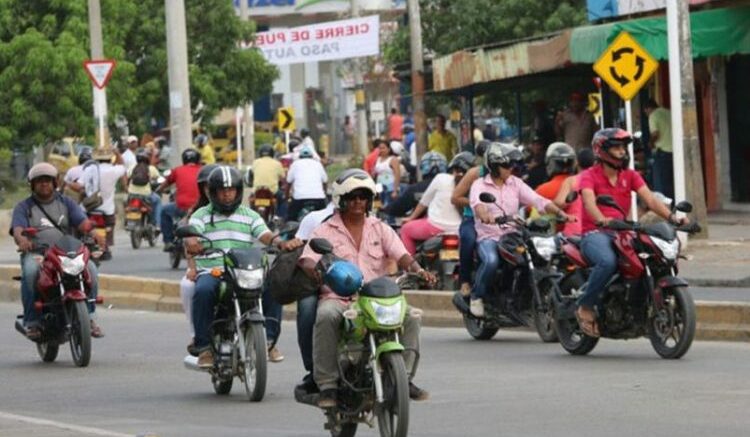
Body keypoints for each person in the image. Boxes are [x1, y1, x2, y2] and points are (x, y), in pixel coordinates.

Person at [298, 169, 434, 407]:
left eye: (363, 197)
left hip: (377, 298)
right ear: (341, 200)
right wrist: (314, 269)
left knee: (412, 317)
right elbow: (308, 258)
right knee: (326, 315)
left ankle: (405, 379)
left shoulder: (379, 227)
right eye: (353, 196)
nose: (358, 202)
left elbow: (401, 255)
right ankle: (328, 385)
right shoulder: (325, 230)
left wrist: (418, 270)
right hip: (340, 298)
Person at [185, 166, 302, 367]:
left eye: (231, 190)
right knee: (203, 290)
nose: (227, 194)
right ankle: (204, 348)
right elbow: (192, 235)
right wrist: (192, 242)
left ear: (239, 191)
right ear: (212, 192)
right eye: (222, 190)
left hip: (245, 270)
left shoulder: (250, 215)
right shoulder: (201, 215)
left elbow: (264, 235)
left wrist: (280, 242)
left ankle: (269, 341)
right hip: (214, 271)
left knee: (274, 289)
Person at [576, 128, 688, 337]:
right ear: (602, 150)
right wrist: (601, 218)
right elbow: (589, 203)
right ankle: (586, 306)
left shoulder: (630, 175)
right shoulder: (588, 176)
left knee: (650, 257)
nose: (622, 152)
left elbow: (651, 200)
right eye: (616, 147)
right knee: (608, 262)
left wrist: (673, 218)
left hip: (623, 231)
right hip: (595, 233)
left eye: (623, 147)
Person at [469, 143, 571, 317]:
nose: (511, 168)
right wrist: (487, 216)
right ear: (494, 166)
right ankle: (476, 297)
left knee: (537, 257)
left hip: (513, 236)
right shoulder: (479, 185)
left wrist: (561, 214)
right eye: (507, 165)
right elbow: (479, 206)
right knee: (492, 261)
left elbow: (538, 200)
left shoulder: (515, 183)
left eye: (512, 165)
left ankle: (519, 297)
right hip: (490, 237)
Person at [11, 163, 106, 339]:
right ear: (32, 184)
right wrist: (23, 240)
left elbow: (82, 222)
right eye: (39, 181)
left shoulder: (67, 203)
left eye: (47, 180)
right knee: (31, 272)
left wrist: (94, 233)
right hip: (38, 254)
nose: (44, 184)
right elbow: (18, 228)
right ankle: (32, 322)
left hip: (66, 253)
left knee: (91, 269)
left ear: (55, 183)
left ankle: (90, 318)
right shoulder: (24, 207)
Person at [400, 152, 471, 254]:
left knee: (405, 230)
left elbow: (424, 202)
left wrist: (411, 218)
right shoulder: (474, 184)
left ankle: (411, 267)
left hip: (435, 227)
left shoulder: (441, 178)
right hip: (460, 230)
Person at [450, 140, 492, 297]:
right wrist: (476, 203)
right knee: (468, 240)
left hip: (499, 221)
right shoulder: (475, 173)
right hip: (472, 219)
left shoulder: (508, 175)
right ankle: (465, 280)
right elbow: (455, 198)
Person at [82, 147, 128, 261]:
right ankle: (106, 244)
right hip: (108, 209)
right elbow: (123, 166)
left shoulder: (89, 169)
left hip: (89, 207)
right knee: (109, 226)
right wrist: (117, 153)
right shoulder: (113, 170)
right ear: (110, 158)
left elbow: (80, 185)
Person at [158, 148, 202, 251]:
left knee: (164, 211)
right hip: (200, 206)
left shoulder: (177, 170)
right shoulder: (203, 170)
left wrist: (159, 190)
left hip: (182, 207)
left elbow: (166, 183)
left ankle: (168, 241)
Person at [384, 151, 447, 218]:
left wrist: (386, 208)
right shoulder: (453, 185)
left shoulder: (415, 188)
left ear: (423, 167)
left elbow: (396, 209)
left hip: (423, 225)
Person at [553, 148, 596, 236]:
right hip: (596, 231)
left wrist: (570, 200)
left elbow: (558, 203)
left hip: (574, 230)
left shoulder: (571, 181)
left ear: (576, 162)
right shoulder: (600, 181)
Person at [286, 146, 328, 222]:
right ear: (312, 156)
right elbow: (325, 181)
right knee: (325, 220)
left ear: (300, 156)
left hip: (299, 199)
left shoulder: (295, 164)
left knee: (291, 219)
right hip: (319, 198)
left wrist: (286, 197)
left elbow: (288, 182)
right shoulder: (318, 164)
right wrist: (324, 193)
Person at [644, 98, 674, 199]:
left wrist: (650, 143)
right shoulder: (668, 112)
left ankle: (664, 206)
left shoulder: (653, 115)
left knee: (660, 183)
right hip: (675, 152)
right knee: (672, 181)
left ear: (648, 109)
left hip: (663, 152)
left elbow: (655, 133)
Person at [127, 148, 163, 231]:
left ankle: (128, 222)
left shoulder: (132, 167)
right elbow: (159, 178)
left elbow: (127, 176)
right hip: (146, 195)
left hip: (132, 194)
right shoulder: (151, 168)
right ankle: (157, 225)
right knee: (157, 201)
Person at [252, 143, 286, 217]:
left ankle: (250, 217)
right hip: (272, 190)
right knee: (283, 199)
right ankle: (279, 217)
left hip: (257, 190)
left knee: (251, 199)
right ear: (272, 153)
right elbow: (283, 177)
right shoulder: (277, 163)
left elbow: (251, 174)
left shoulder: (255, 162)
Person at [373, 140, 402, 209]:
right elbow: (375, 174)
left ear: (389, 149)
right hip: (379, 187)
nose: (381, 150)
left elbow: (397, 175)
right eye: (380, 148)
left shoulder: (393, 159)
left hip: (390, 187)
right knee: (380, 207)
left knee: (389, 207)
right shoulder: (378, 159)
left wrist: (395, 190)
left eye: (383, 148)